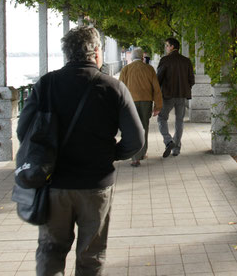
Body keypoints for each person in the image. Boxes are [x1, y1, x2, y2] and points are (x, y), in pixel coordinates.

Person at [17, 26, 144, 276]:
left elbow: (24, 131)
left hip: (53, 183)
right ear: (97, 52)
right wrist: (112, 153)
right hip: (96, 184)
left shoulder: (46, 84)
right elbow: (136, 139)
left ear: (66, 53)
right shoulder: (113, 87)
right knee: (91, 254)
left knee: (51, 251)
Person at [119, 47, 162, 166]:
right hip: (146, 102)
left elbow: (120, 88)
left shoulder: (126, 69)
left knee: (132, 128)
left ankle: (134, 158)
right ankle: (142, 153)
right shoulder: (149, 69)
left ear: (132, 57)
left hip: (130, 102)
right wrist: (158, 106)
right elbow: (156, 88)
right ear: (142, 57)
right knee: (144, 127)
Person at [156, 37, 194, 157]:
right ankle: (176, 148)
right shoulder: (186, 61)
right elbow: (191, 80)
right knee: (179, 121)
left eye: (167, 45)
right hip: (182, 96)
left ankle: (168, 141)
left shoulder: (165, 60)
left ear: (172, 47)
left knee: (161, 118)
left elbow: (158, 79)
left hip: (167, 95)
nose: (166, 48)